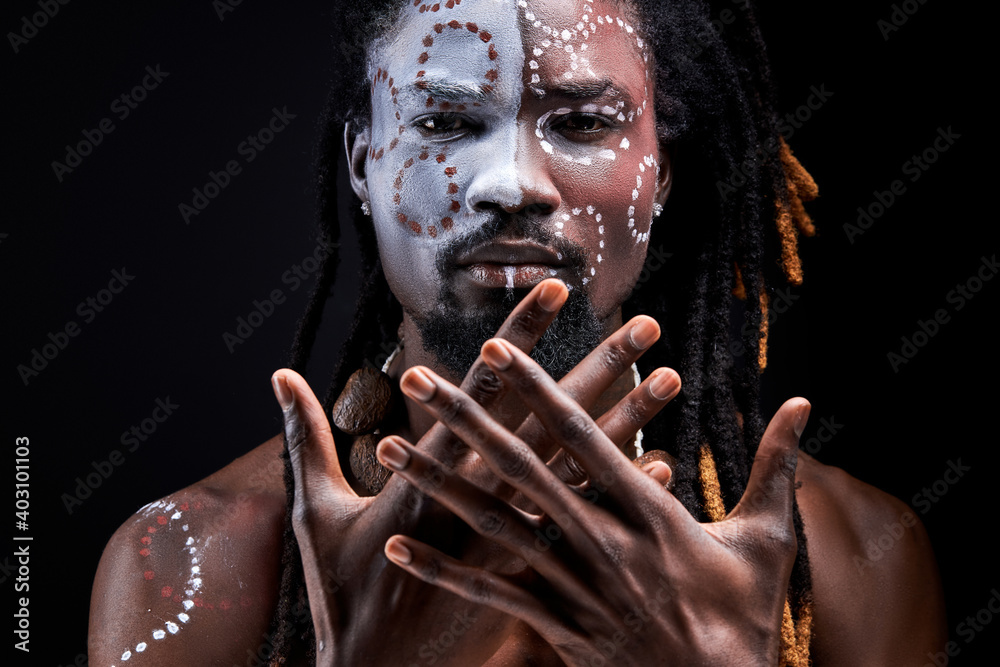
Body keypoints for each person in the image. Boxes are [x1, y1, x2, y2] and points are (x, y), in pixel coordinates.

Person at [88, 0, 946, 664]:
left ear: (666, 172)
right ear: (362, 162)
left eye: (581, 123)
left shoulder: (843, 557)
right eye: (447, 123)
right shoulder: (196, 562)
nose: (511, 184)